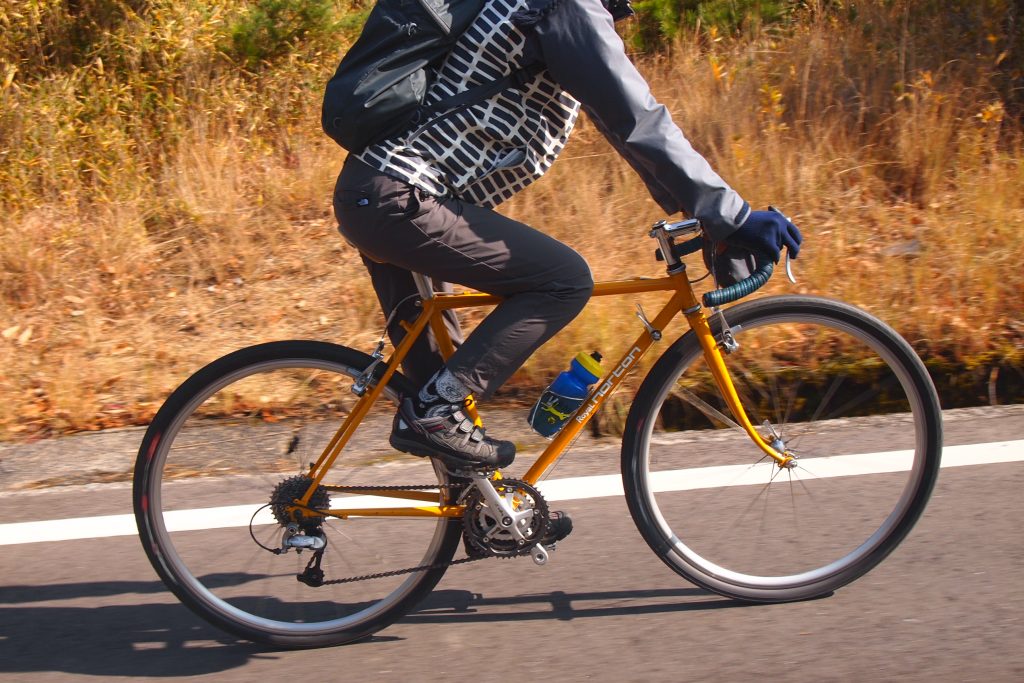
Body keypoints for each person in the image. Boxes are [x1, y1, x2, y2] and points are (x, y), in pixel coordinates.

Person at [331, 0, 802, 473]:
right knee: (563, 281)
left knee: (442, 391)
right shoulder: (566, 7)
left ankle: (472, 503)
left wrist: (705, 212)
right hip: (401, 198)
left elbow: (618, 123)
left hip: (381, 193)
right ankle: (436, 414)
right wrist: (732, 214)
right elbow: (636, 116)